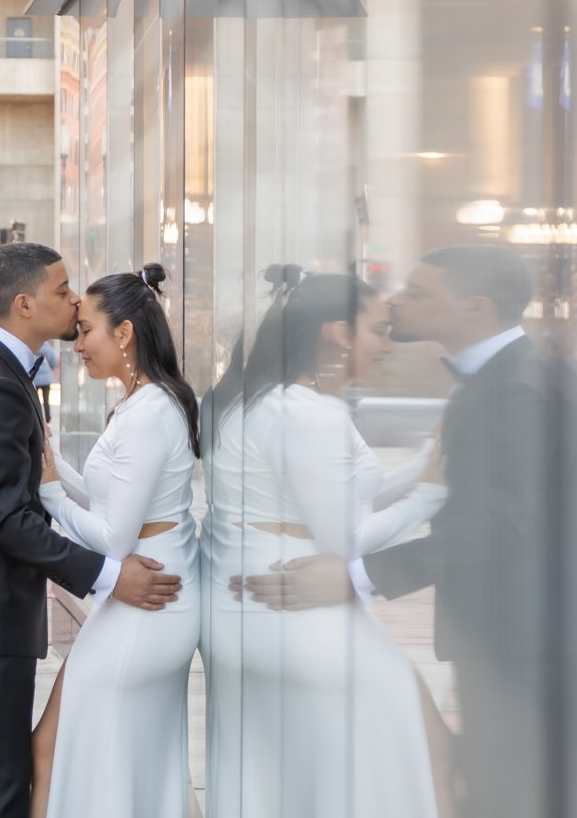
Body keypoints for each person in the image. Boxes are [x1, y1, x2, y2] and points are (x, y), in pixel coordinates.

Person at [245, 245, 577, 818]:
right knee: (558, 791)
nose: (398, 302)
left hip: (538, 631)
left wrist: (358, 577)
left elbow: (499, 523)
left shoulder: (517, 388)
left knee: (522, 794)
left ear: (475, 307)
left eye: (418, 293)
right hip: (527, 623)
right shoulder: (510, 375)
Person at [0, 243, 182, 818]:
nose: (75, 299)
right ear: (26, 305)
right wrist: (108, 577)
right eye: (62, 291)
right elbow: (8, 520)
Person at [201, 266, 455, 818]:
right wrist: (429, 498)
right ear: (339, 332)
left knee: (278, 769)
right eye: (380, 330)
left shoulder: (258, 401)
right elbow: (348, 538)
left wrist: (420, 465)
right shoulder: (308, 415)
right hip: (293, 605)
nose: (388, 346)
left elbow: (340, 489)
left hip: (252, 602)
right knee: (393, 738)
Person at [30, 263, 202, 818]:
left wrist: (52, 493)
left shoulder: (149, 413)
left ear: (124, 332)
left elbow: (112, 535)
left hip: (149, 602)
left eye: (86, 330)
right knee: (81, 751)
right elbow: (112, 502)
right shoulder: (140, 404)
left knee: (63, 748)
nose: (75, 344)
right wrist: (55, 471)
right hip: (145, 597)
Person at [32, 339, 60, 424]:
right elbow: (54, 362)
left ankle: (37, 418)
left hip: (34, 378)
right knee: (46, 400)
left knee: (35, 400)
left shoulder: (30, 345)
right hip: (46, 378)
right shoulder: (45, 346)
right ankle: (47, 418)